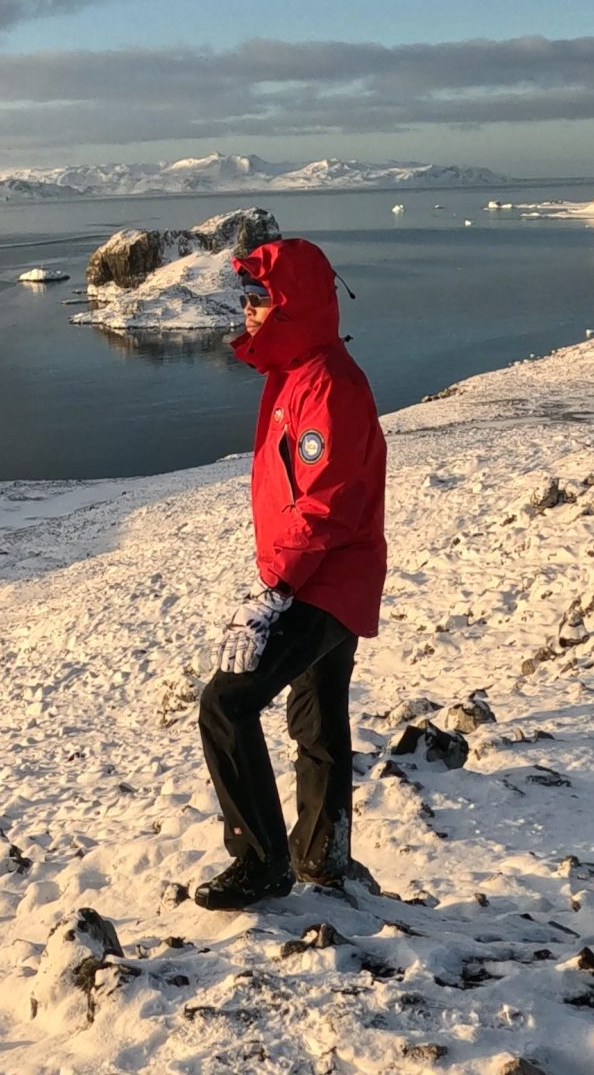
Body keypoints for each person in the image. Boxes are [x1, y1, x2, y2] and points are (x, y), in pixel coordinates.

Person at [192, 236, 387, 911]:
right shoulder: (299, 370)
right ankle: (320, 855)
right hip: (335, 577)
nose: (247, 312)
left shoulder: (326, 384)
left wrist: (272, 591)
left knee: (226, 703)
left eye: (259, 299)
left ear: (292, 304)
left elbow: (327, 506)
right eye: (244, 299)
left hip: (322, 579)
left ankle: (260, 862)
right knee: (317, 713)